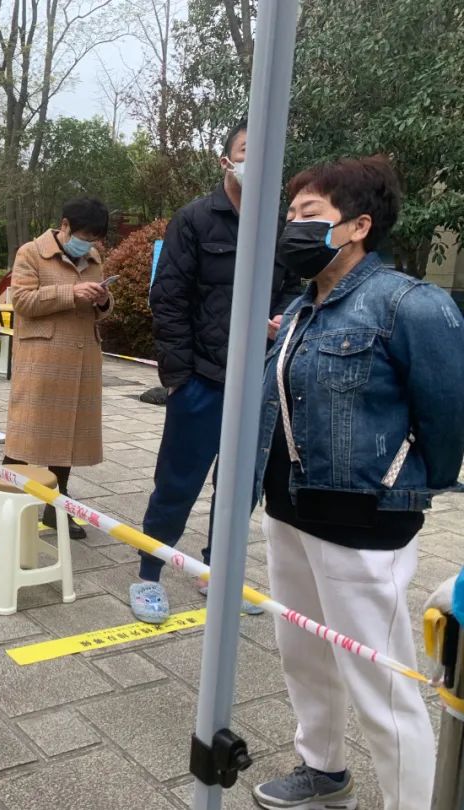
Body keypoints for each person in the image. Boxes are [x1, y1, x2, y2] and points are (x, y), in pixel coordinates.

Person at [251, 156, 464, 810]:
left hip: (365, 521)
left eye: (309, 214)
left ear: (359, 225)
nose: (293, 227)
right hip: (289, 510)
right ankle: (323, 770)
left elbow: (447, 417)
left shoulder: (411, 304)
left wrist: (408, 485)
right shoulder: (302, 306)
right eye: (291, 215)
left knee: (381, 684)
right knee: (304, 654)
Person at [129, 119, 302, 623]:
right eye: (246, 150)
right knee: (176, 483)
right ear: (226, 160)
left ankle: (218, 573)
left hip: (258, 383)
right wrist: (178, 379)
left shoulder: (280, 227)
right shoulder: (195, 220)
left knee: (240, 487)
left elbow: (296, 288)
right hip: (202, 379)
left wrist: (284, 318)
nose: (255, 159)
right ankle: (149, 574)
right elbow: (168, 299)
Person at [0, 198, 113, 540]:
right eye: (85, 236)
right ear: (65, 225)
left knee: (66, 442)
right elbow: (22, 301)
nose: (89, 244)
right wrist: (71, 293)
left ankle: (57, 509)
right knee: (23, 440)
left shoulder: (94, 259)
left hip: (82, 361)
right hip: (42, 362)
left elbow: (98, 307)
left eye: (95, 239)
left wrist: (103, 301)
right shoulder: (30, 253)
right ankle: (0, 511)